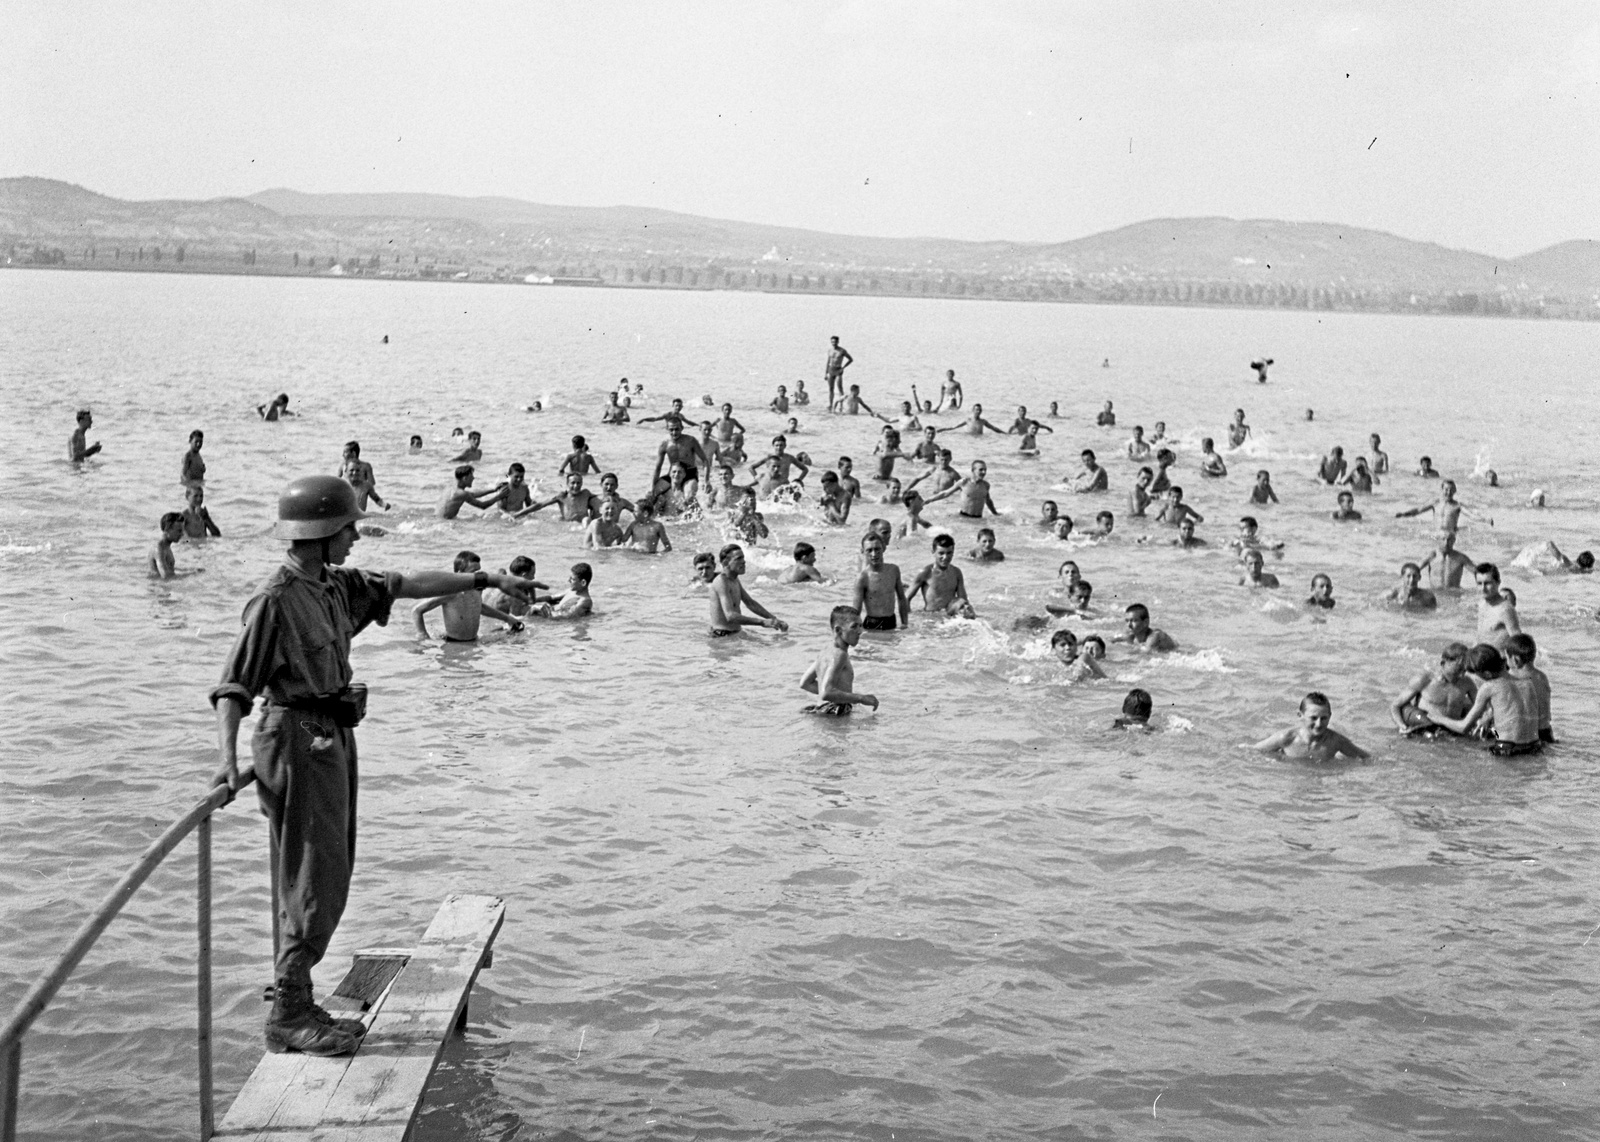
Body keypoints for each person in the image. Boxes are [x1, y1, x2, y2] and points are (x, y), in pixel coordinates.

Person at [209, 475, 536, 1055]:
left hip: (330, 734)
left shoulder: (333, 586)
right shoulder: (276, 600)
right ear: (322, 533)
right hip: (296, 739)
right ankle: (287, 1013)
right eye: (349, 527)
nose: (357, 535)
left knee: (330, 873)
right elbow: (235, 688)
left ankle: (298, 998)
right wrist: (222, 762)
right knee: (311, 875)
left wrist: (488, 579)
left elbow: (409, 583)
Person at [1426, 643, 1541, 755]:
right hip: (1534, 747)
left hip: (1508, 749)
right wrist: (1489, 715)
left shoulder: (1488, 687)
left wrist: (1440, 719)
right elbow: (1514, 707)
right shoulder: (1527, 682)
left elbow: (1463, 727)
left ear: (1486, 674)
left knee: (1459, 753)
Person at [413, 551, 526, 640]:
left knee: (518, 635)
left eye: (478, 571)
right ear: (459, 574)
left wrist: (507, 618)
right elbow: (417, 610)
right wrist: (422, 635)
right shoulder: (450, 592)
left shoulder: (477, 589)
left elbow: (479, 607)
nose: (477, 575)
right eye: (473, 571)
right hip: (453, 644)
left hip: (473, 641)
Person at [799, 605, 879, 715]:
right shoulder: (840, 655)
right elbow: (826, 693)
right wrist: (861, 698)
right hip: (835, 711)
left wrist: (841, 697)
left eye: (861, 626)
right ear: (838, 630)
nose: (860, 631)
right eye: (854, 626)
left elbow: (805, 683)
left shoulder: (825, 651)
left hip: (824, 709)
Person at [1253, 692, 1369, 761]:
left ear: (1330, 716)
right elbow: (1251, 750)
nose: (1319, 724)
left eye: (1324, 718)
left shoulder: (1336, 742)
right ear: (1300, 715)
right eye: (1313, 718)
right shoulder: (1286, 738)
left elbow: (1367, 759)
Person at [1391, 642, 1475, 735]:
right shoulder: (1424, 680)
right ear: (1443, 663)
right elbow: (1396, 706)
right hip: (1426, 729)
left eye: (1465, 670)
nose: (1462, 674)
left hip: (1451, 730)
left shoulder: (1467, 683)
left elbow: (1484, 707)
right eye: (1458, 669)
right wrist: (1402, 726)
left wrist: (1483, 720)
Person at [709, 544, 788, 637]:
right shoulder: (721, 582)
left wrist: (774, 619)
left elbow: (750, 603)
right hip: (722, 637)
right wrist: (762, 622)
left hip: (734, 634)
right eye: (738, 558)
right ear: (726, 563)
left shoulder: (734, 579)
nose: (744, 561)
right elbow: (730, 616)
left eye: (743, 558)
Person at [908, 533, 975, 617]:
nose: (945, 557)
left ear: (953, 553)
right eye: (941, 553)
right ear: (933, 552)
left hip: (948, 619)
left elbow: (963, 599)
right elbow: (906, 599)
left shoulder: (956, 572)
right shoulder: (926, 572)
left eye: (949, 553)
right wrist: (908, 622)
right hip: (930, 618)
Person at [853, 532, 909, 630]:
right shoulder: (862, 578)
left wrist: (905, 623)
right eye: (869, 550)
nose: (874, 554)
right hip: (872, 624)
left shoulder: (893, 570)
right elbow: (856, 610)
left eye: (877, 549)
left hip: (891, 621)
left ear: (884, 548)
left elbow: (901, 598)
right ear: (863, 552)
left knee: (893, 644)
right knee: (876, 645)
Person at [1505, 632, 1555, 744]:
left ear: (1515, 660)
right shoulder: (1542, 676)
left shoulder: (1512, 677)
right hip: (1546, 733)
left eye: (1507, 658)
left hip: (1528, 735)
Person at [649, 417, 710, 503]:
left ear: (682, 428)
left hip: (690, 474)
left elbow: (705, 460)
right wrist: (652, 487)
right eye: (671, 430)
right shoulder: (664, 444)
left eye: (677, 429)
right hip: (673, 474)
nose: (674, 432)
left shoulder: (691, 441)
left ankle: (698, 515)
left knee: (688, 497)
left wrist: (707, 481)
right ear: (667, 429)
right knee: (652, 496)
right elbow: (658, 468)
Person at [925, 459, 998, 519]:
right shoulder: (964, 482)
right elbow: (946, 493)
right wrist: (929, 500)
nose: (984, 472)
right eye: (981, 470)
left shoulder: (986, 485)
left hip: (979, 519)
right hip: (964, 517)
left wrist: (995, 514)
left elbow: (988, 501)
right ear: (973, 470)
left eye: (985, 470)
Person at [517, 472, 601, 522]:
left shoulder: (586, 494)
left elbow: (601, 499)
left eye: (578, 483)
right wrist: (518, 514)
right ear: (567, 484)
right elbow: (540, 505)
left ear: (582, 484)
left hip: (582, 525)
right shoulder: (562, 496)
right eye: (573, 483)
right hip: (569, 525)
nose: (576, 486)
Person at [1474, 562, 1521, 648]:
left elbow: (1517, 642)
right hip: (1482, 657)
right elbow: (1480, 636)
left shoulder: (1505, 609)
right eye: (1479, 583)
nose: (1483, 588)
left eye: (1487, 583)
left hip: (1498, 659)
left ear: (1498, 582)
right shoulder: (1481, 604)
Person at [484, 555, 549, 617]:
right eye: (532, 574)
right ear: (524, 576)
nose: (533, 578)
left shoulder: (499, 580)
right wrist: (533, 610)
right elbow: (516, 619)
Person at [437, 466, 505, 519]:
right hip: (446, 523)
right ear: (465, 478)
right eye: (471, 476)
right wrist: (499, 496)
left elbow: (473, 494)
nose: (473, 478)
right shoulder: (462, 493)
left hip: (439, 521)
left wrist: (493, 490)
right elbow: (483, 506)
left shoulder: (451, 488)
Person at [339, 441, 388, 511]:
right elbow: (336, 482)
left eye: (345, 452)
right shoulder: (342, 466)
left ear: (353, 453)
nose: (343, 455)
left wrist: (361, 483)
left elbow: (372, 483)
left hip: (360, 493)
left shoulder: (366, 466)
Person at [1510, 541, 1594, 574]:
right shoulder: (1568, 563)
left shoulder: (1568, 563)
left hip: (1541, 572)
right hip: (1541, 574)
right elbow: (1549, 544)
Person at [148, 512, 186, 579]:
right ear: (167, 529)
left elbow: (169, 568)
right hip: (157, 587)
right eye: (179, 531)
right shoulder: (159, 549)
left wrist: (190, 570)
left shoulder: (166, 547)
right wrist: (191, 575)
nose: (182, 534)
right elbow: (166, 576)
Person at [935, 402, 1004, 437]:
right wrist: (942, 430)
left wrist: (1005, 434)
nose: (978, 411)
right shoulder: (968, 420)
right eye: (977, 410)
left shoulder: (983, 421)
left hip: (980, 439)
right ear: (973, 410)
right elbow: (954, 427)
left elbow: (994, 428)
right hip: (969, 439)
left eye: (980, 410)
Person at [824, 336, 854, 410]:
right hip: (831, 369)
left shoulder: (842, 351)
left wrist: (843, 367)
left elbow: (850, 359)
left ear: (838, 342)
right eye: (832, 342)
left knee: (839, 387)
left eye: (835, 341)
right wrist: (825, 373)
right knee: (831, 388)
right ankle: (831, 404)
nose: (833, 343)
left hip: (838, 369)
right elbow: (828, 362)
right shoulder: (830, 350)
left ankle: (841, 405)